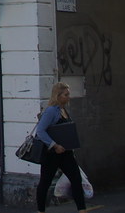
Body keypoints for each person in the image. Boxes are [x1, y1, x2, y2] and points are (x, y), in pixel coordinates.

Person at [34, 82, 86, 213]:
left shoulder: (63, 110)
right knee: (45, 183)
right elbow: (40, 131)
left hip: (66, 153)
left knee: (76, 179)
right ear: (58, 95)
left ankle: (82, 209)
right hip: (52, 154)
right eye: (66, 95)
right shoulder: (51, 111)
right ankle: (40, 210)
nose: (68, 97)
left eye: (69, 94)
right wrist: (54, 145)